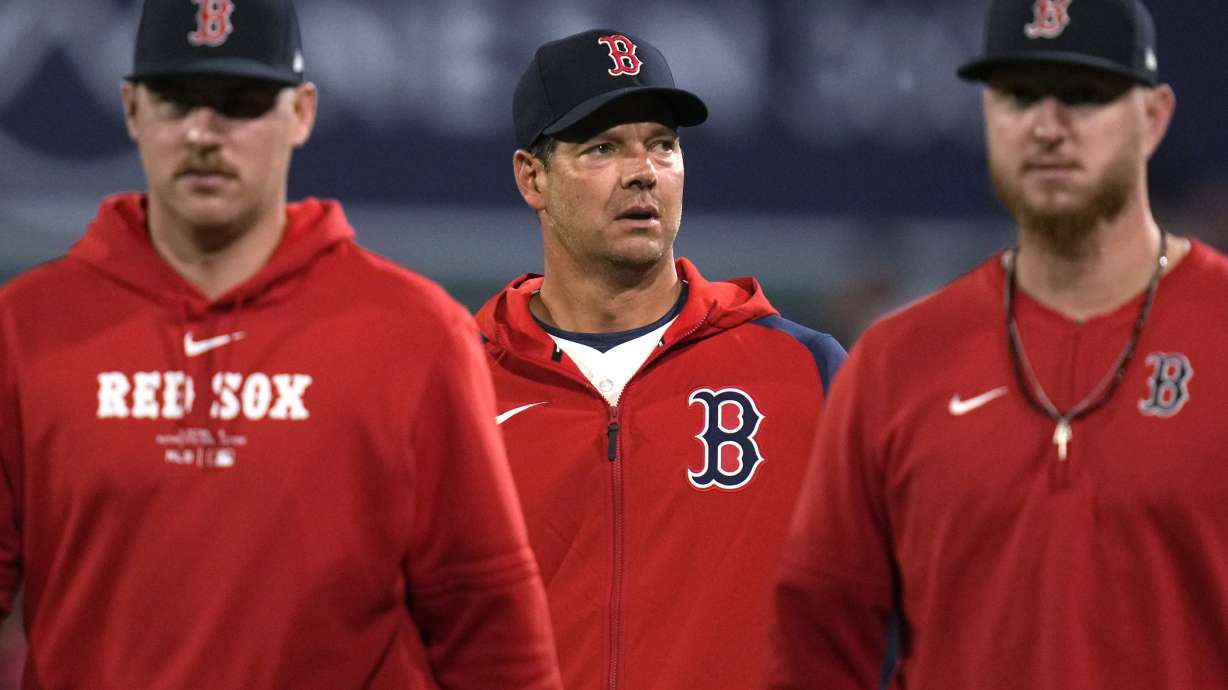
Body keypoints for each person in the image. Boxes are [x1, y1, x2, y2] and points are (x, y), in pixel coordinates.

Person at [0, 1, 562, 687]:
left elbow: (487, 622)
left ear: (301, 112)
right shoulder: (28, 328)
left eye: (240, 104)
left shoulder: (411, 334)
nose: (205, 133)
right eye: (177, 101)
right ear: (130, 108)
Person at [771, 0, 1228, 688]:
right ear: (988, 114)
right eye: (1017, 95)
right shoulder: (899, 360)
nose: (1048, 126)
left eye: (1083, 94)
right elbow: (820, 641)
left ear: (1154, 117)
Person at [475, 28, 847, 690]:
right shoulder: (461, 386)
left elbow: (881, 613)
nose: (643, 170)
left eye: (663, 145)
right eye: (602, 148)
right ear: (533, 178)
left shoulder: (804, 374)